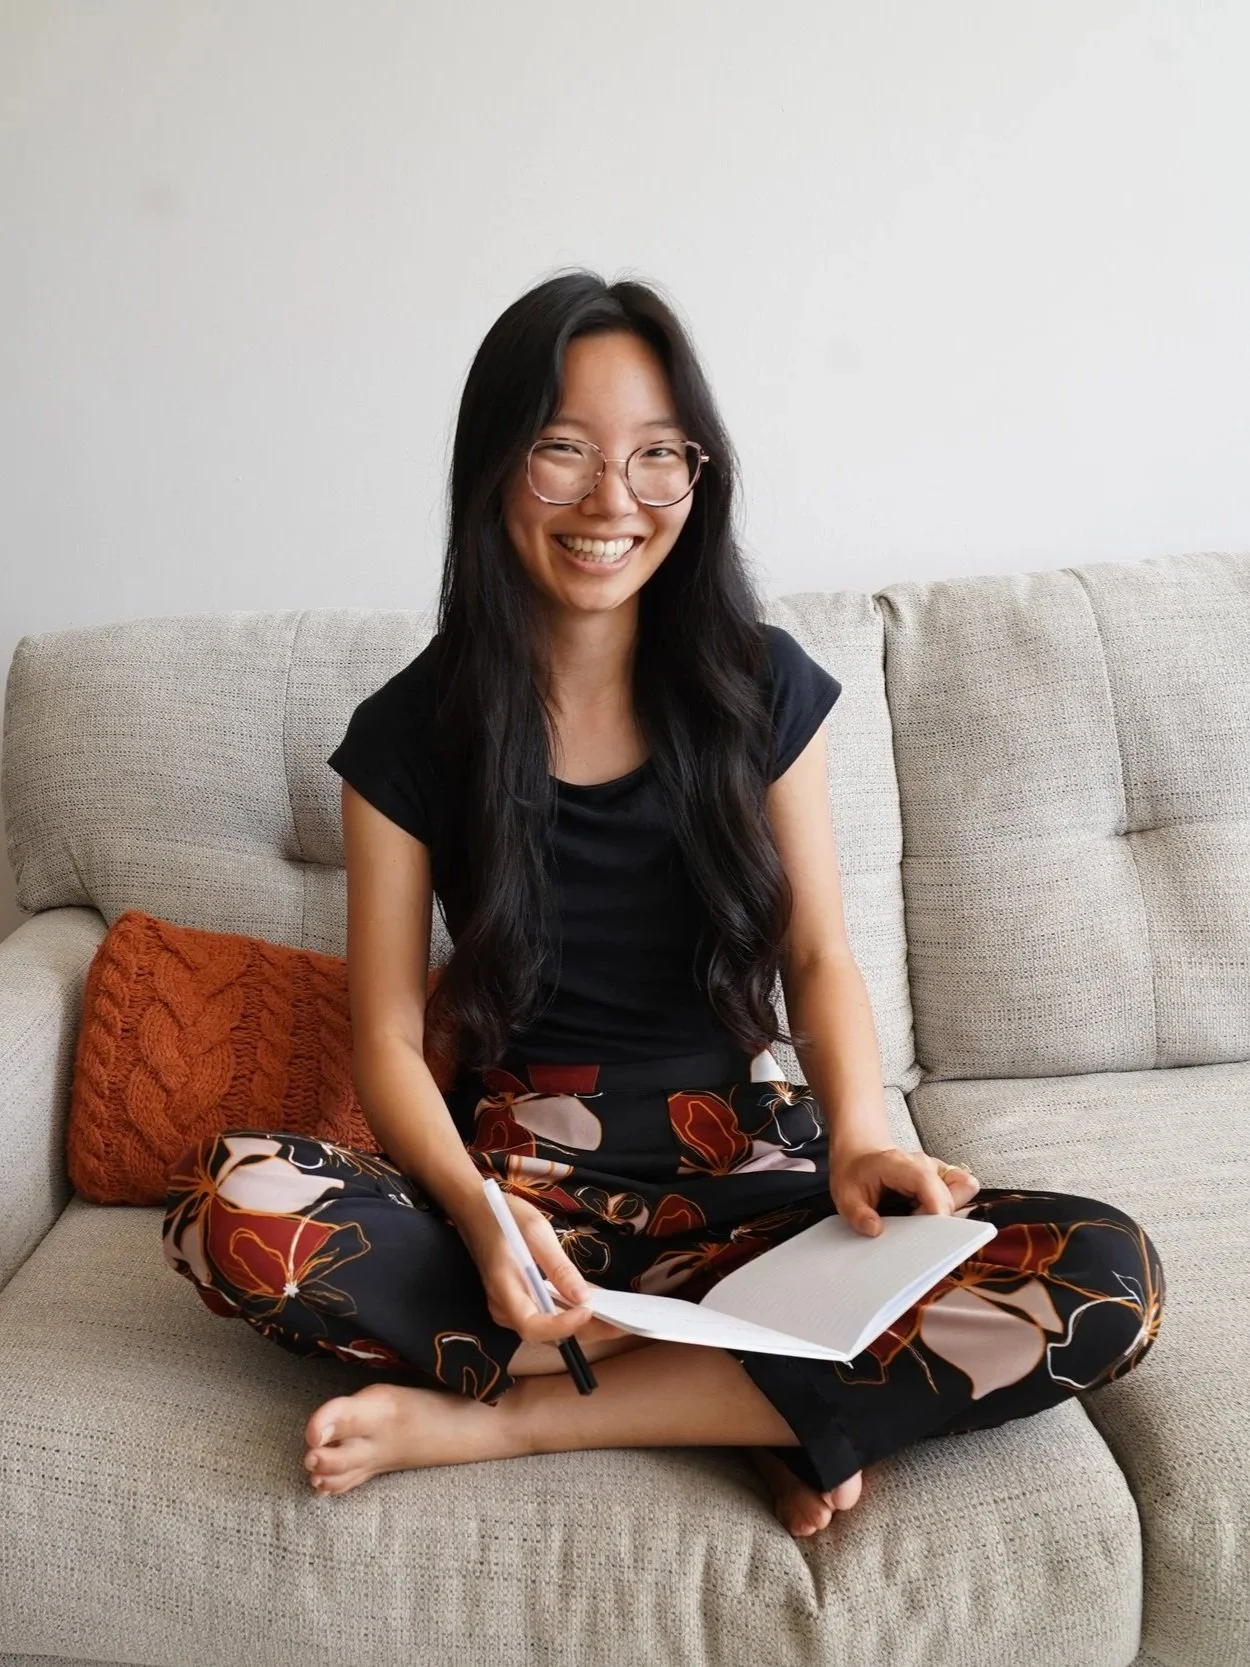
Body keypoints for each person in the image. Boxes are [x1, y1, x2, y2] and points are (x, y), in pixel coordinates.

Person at [162, 271, 1165, 1538]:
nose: (611, 501)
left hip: (759, 1192)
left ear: (698, 474)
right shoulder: (407, 734)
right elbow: (382, 1040)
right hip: (530, 1203)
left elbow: (814, 951)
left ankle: (513, 1414)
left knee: (1106, 1276)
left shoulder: (758, 688)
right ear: (494, 469)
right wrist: (480, 1221)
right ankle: (767, 1398)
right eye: (564, 452)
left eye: (656, 457)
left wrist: (858, 1135)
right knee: (235, 1211)